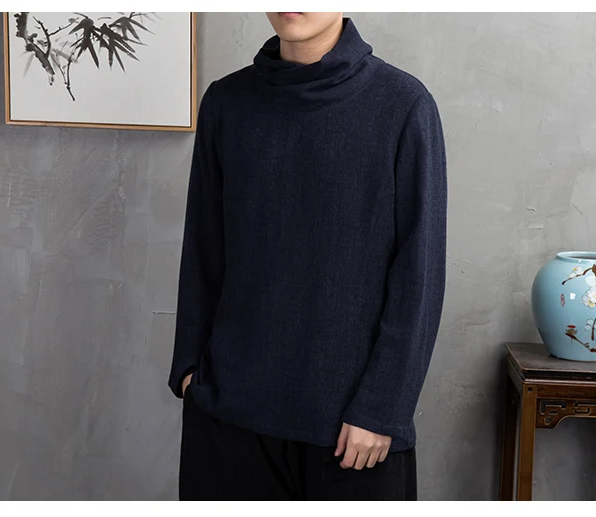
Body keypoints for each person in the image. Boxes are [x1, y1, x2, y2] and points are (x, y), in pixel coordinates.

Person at [168, 12, 447, 501]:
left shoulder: (403, 104)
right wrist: (191, 370)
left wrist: (382, 408)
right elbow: (204, 250)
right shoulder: (227, 102)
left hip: (352, 433)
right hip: (227, 416)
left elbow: (418, 276)